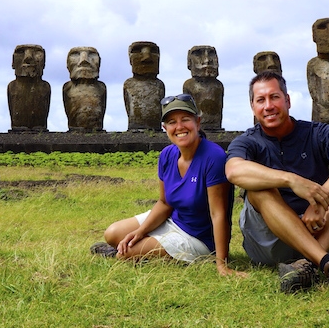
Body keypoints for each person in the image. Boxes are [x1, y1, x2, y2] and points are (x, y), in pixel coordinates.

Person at [225, 71, 329, 296]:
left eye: (274, 97)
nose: (268, 106)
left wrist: (322, 199)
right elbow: (234, 170)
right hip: (270, 242)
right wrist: (290, 180)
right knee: (258, 190)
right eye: (260, 100)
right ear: (253, 107)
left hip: (318, 230)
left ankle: (310, 264)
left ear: (288, 100)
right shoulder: (247, 141)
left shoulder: (318, 132)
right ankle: (326, 263)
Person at [90, 94, 245, 277]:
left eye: (185, 119)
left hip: (198, 238)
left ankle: (137, 252)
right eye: (172, 122)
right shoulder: (167, 155)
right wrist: (140, 232)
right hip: (173, 221)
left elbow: (218, 214)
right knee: (112, 233)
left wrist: (222, 264)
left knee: (127, 253)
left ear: (198, 122)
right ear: (165, 128)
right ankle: (144, 246)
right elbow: (164, 203)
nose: (179, 127)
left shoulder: (213, 157)